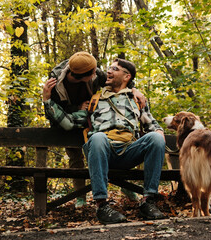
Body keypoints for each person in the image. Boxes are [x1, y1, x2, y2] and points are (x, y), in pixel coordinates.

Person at [43, 58, 166, 224]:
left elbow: (152, 124)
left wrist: (159, 132)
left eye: (115, 69)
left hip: (130, 152)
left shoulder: (135, 99)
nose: (108, 71)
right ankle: (102, 206)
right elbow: (68, 122)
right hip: (103, 152)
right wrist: (47, 100)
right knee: (98, 137)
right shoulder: (94, 100)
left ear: (126, 77)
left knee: (156, 138)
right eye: (109, 68)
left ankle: (148, 202)